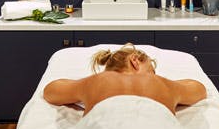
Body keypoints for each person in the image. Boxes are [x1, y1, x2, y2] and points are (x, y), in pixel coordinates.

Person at [43, 43, 206, 114]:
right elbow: (199, 89)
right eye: (151, 70)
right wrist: (167, 85)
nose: (153, 75)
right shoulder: (159, 84)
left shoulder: (98, 82)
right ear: (135, 61)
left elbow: (51, 91)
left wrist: (85, 86)